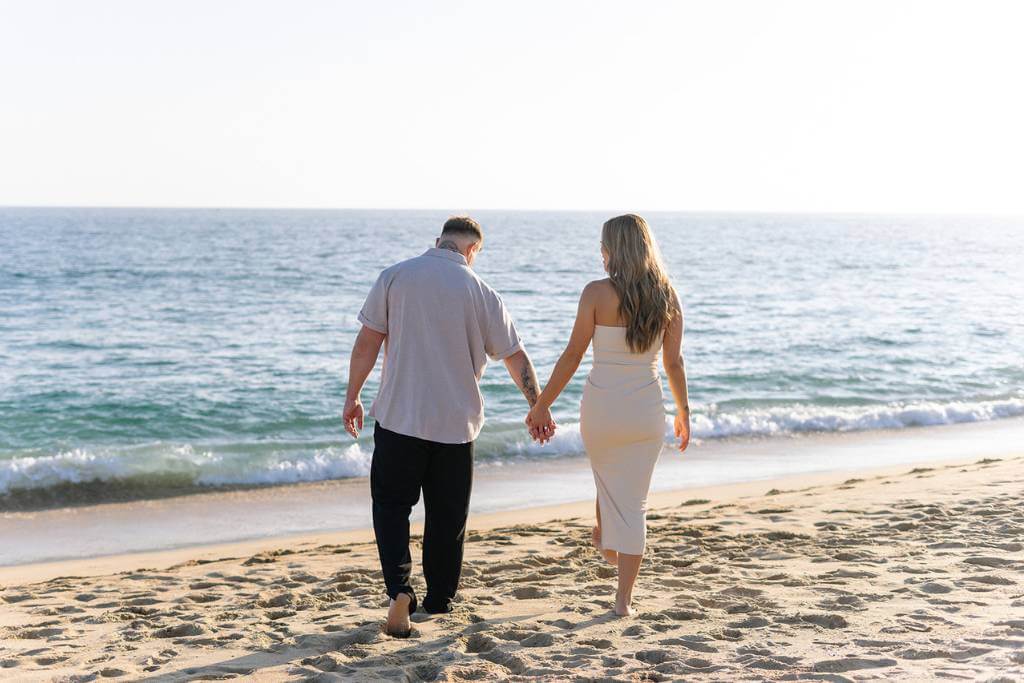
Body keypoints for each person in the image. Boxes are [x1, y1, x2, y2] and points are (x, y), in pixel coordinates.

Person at [343, 216, 553, 637]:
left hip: (400, 418)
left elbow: (367, 343)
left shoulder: (395, 276)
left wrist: (353, 397)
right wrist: (538, 407)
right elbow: (516, 357)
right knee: (446, 519)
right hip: (456, 427)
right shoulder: (482, 293)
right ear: (473, 251)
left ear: (437, 241)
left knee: (391, 508)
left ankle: (400, 592)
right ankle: (439, 601)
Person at [526, 213, 690, 616]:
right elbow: (674, 363)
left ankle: (609, 542)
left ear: (611, 250)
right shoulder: (667, 295)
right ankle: (623, 600)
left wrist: (542, 403)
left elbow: (572, 354)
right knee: (631, 501)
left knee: (609, 482)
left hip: (601, 410)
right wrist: (683, 411)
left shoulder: (596, 293)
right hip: (645, 412)